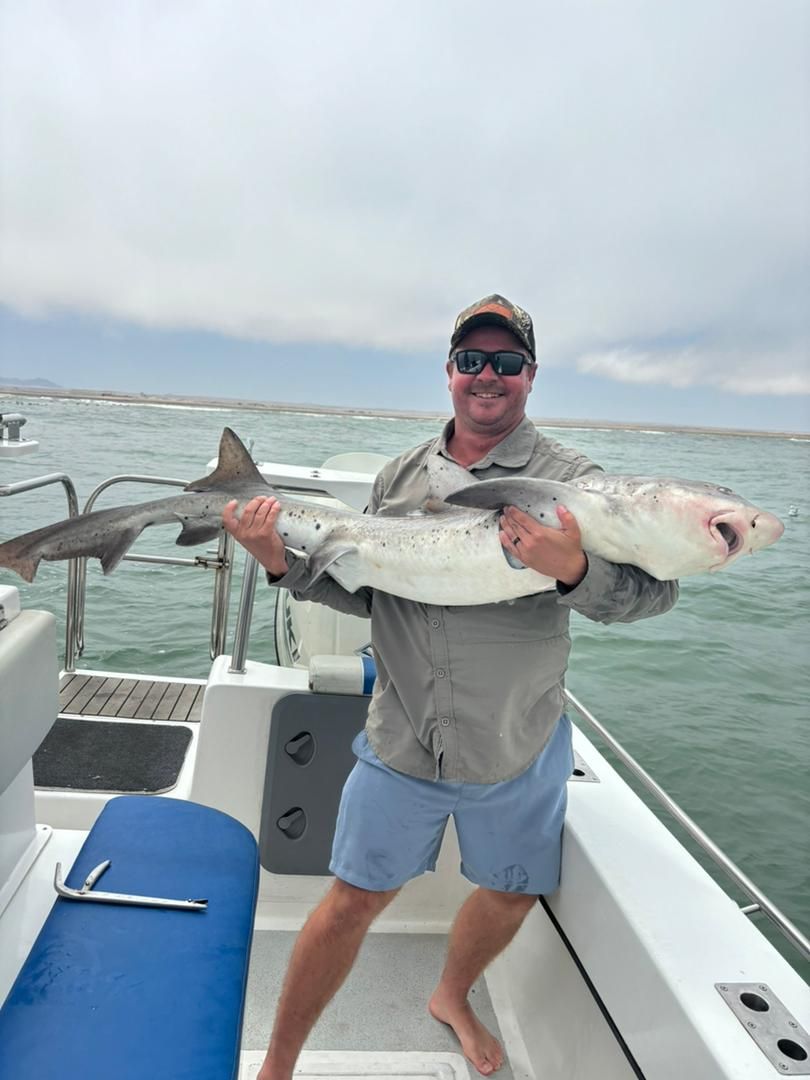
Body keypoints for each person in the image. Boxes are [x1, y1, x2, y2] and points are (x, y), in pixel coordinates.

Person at [223, 294, 678, 1080]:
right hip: (404, 736)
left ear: (530, 376)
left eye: (506, 362)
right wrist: (278, 563)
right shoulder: (401, 476)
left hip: (516, 743)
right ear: (450, 372)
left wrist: (570, 568)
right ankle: (277, 1066)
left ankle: (453, 996)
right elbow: (366, 591)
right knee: (351, 903)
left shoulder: (572, 483)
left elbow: (653, 592)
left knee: (511, 894)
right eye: (473, 361)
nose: (487, 377)